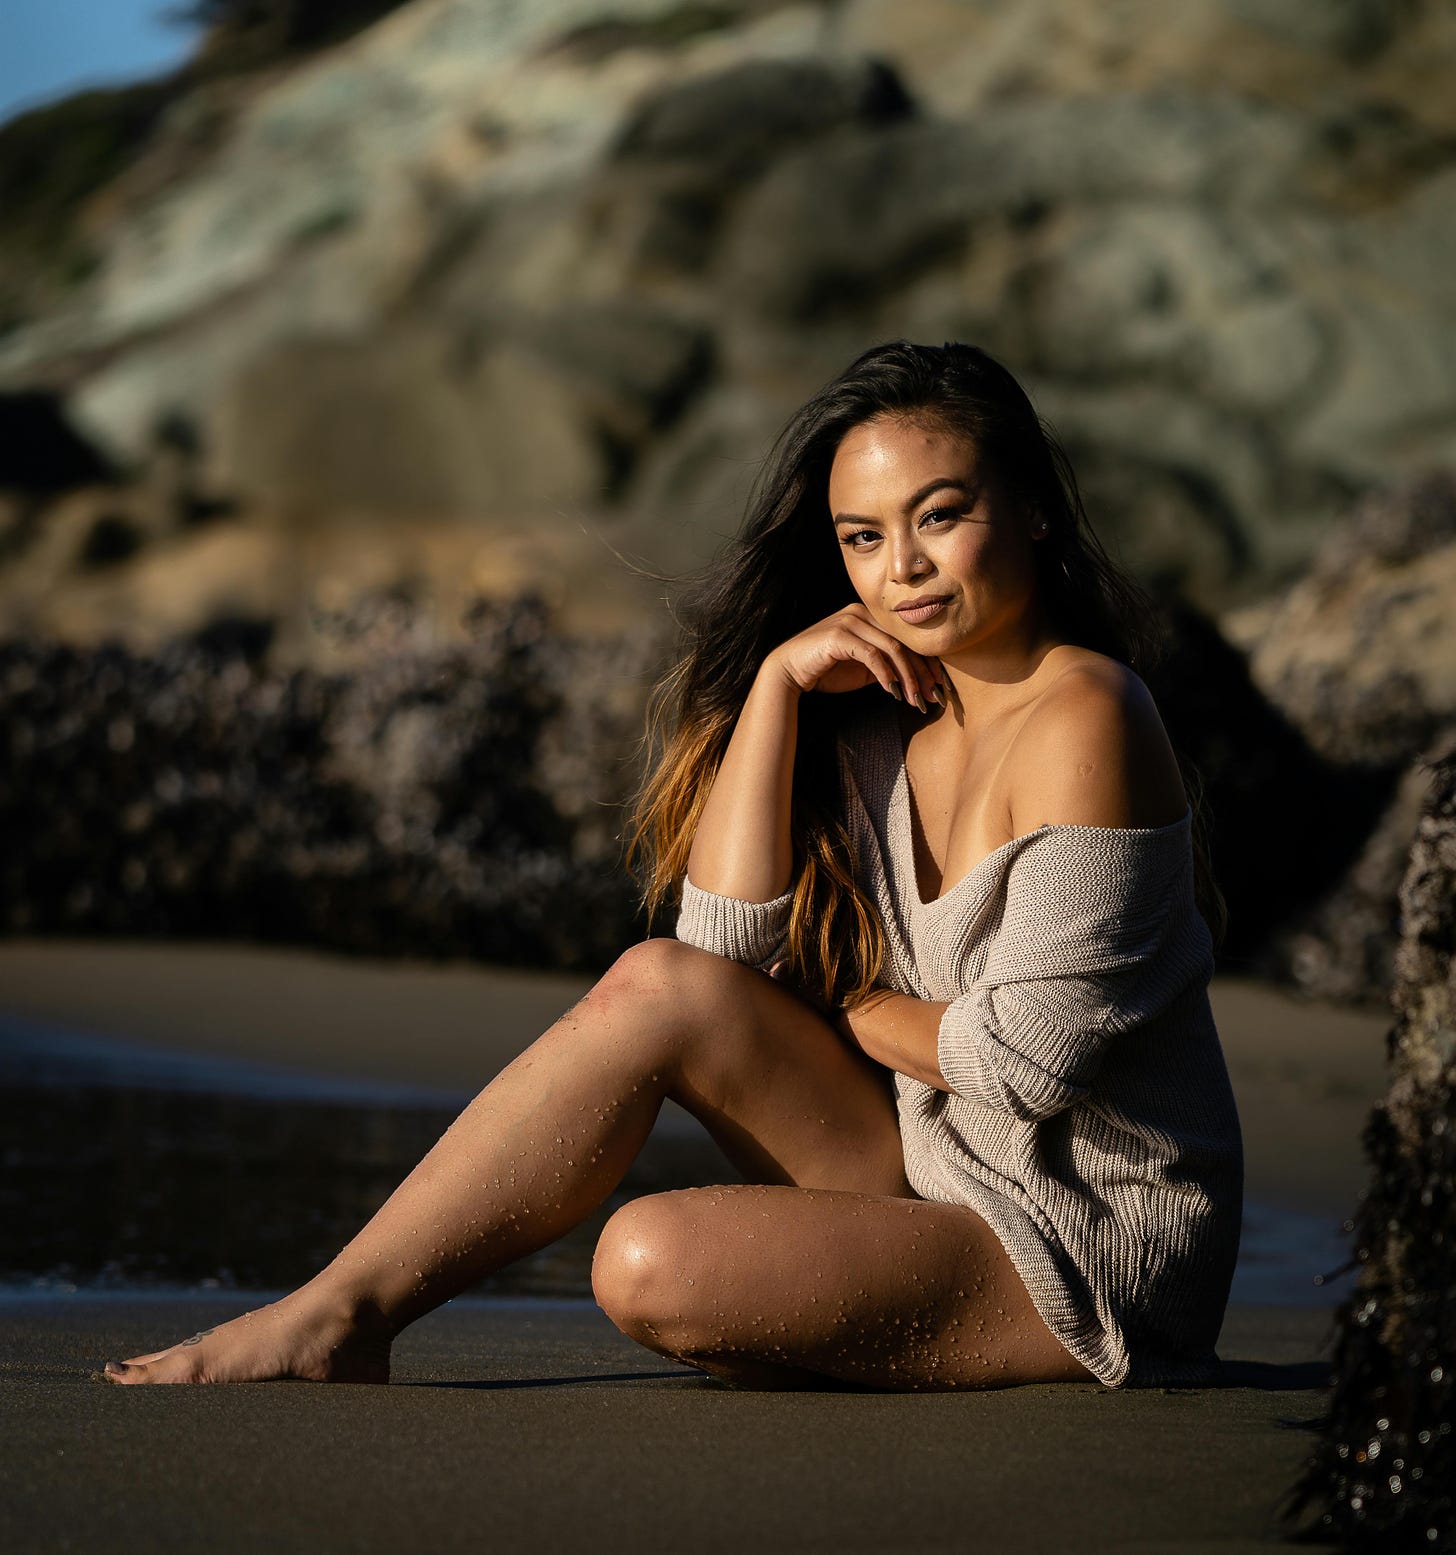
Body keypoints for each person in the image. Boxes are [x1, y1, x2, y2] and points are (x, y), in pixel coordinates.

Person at [102, 340, 1243, 1391]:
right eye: (861, 537)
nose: (902, 568)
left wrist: (854, 1011)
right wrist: (775, 698)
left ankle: (840, 1314)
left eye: (939, 516)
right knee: (653, 982)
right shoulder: (887, 717)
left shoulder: (1088, 711)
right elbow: (714, 971)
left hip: (1080, 1250)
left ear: (1034, 510)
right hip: (936, 1165)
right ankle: (337, 1313)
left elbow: (1027, 1060)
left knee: (646, 1259)